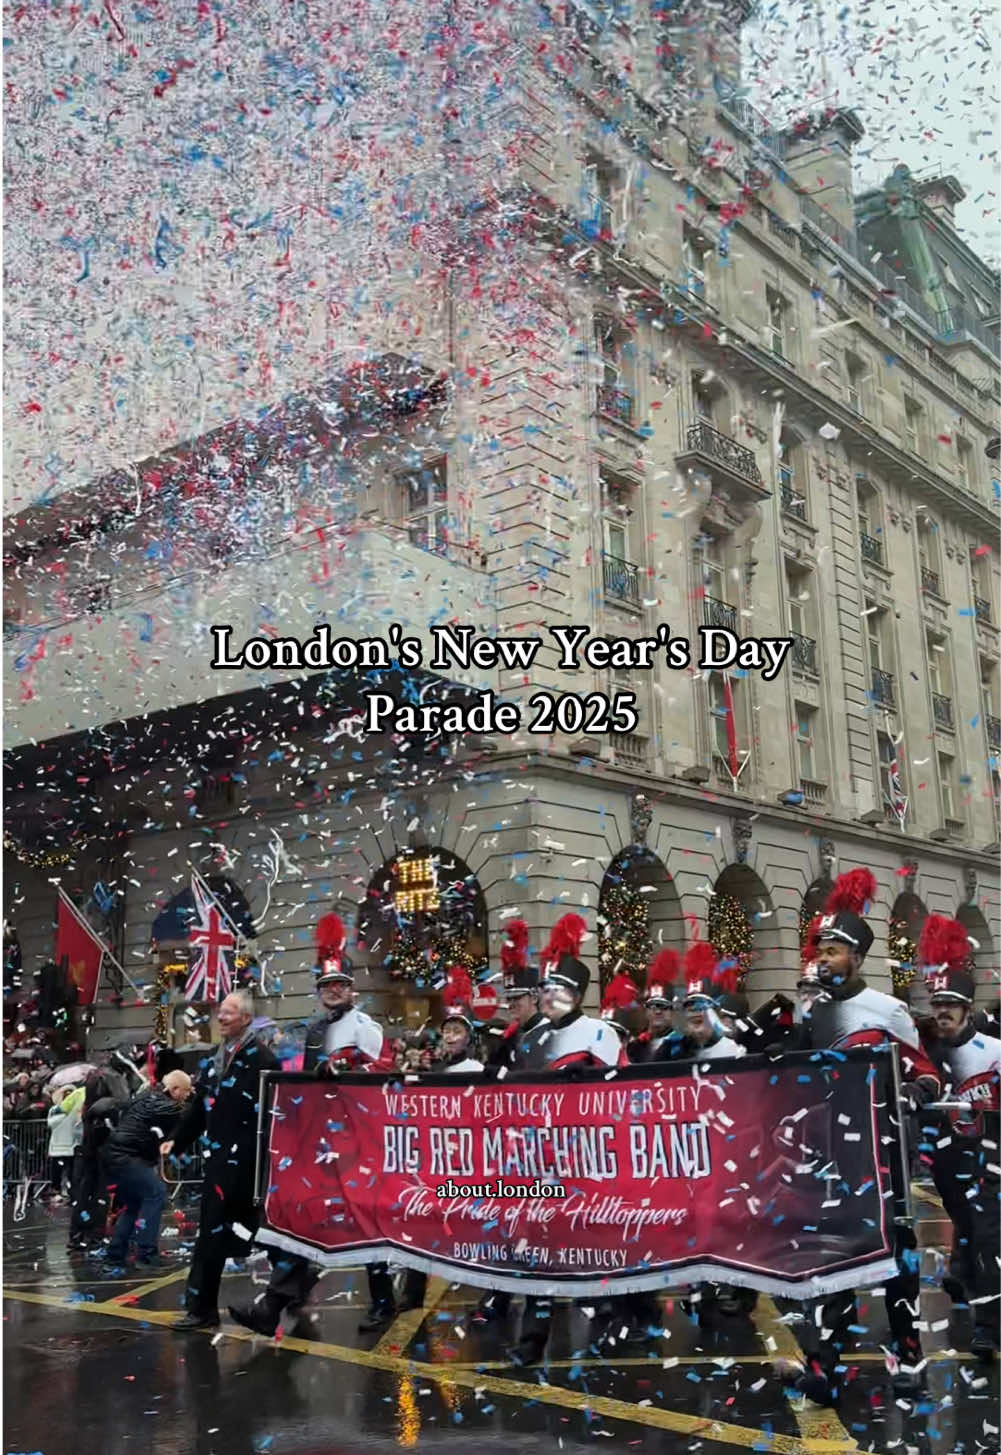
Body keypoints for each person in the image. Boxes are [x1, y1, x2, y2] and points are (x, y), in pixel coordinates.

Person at [777, 869, 939, 1402]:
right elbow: (785, 1075)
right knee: (831, 1259)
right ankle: (824, 1366)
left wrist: (917, 1092)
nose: (824, 957)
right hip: (827, 1158)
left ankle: (910, 1356)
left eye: (836, 950)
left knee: (899, 1257)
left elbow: (925, 1070)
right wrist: (801, 1020)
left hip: (883, 1153)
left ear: (858, 958)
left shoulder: (888, 1010)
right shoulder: (810, 1011)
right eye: (820, 948)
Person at [227, 915, 394, 1339]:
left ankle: (382, 1302)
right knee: (312, 1220)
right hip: (322, 1140)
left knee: (367, 1220)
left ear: (352, 988)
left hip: (361, 1138)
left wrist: (345, 1064)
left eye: (340, 984)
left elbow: (383, 1069)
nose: (333, 990)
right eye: (326, 985)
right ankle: (281, 1300)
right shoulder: (316, 1029)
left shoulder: (364, 1027)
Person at [507, 912, 623, 1368]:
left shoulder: (600, 1033)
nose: (549, 997)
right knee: (538, 1249)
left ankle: (609, 1316)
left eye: (558, 990)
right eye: (546, 989)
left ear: (575, 995)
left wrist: (590, 1085)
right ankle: (531, 1341)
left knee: (592, 1241)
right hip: (539, 1156)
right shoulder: (532, 1039)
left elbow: (628, 1095)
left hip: (589, 1156)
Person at [165, 989, 279, 1331]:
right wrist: (177, 1140)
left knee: (265, 1235)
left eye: (228, 1012)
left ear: (246, 1017)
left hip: (250, 1166)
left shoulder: (263, 1059)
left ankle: (290, 1293)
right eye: (220, 1012)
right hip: (219, 1166)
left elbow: (274, 1113)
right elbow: (200, 1108)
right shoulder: (213, 1061)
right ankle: (201, 1310)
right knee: (210, 1235)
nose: (221, 1017)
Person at [918, 915, 1000, 1361]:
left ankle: (987, 1328)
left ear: (968, 1009)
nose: (943, 1012)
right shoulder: (927, 1051)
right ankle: (966, 1281)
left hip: (990, 1158)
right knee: (967, 1231)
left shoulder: (993, 1050)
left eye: (951, 1005)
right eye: (938, 1005)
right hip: (945, 1160)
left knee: (989, 1238)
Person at [398, 972, 484, 1314]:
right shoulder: (431, 1070)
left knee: (478, 1230)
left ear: (469, 1038)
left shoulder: (477, 1068)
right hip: (435, 1160)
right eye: (447, 1030)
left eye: (457, 1031)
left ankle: (491, 1293)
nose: (450, 1036)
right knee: (422, 1223)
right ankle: (412, 1292)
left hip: (469, 1161)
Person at [99, 1070, 193, 1266]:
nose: (187, 1095)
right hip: (127, 1155)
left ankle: (116, 1252)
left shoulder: (147, 1097)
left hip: (117, 1154)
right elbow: (187, 1116)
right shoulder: (163, 1104)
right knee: (156, 1192)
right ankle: (146, 1253)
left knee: (133, 1204)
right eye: (185, 1091)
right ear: (175, 1089)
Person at [629, 950, 682, 1063]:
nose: (658, 1011)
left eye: (663, 1007)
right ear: (646, 1011)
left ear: (672, 1011)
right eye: (652, 1006)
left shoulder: (682, 1045)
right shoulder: (634, 1047)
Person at [46, 1084, 85, 1201]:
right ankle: (56, 1191)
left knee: (72, 1173)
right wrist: (64, 1113)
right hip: (58, 1146)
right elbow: (51, 1123)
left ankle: (71, 1193)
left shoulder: (78, 1110)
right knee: (57, 1171)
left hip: (72, 1145)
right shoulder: (55, 1109)